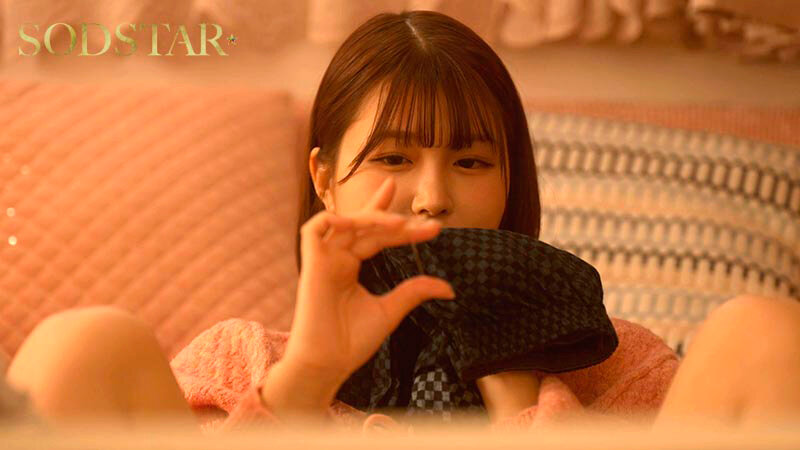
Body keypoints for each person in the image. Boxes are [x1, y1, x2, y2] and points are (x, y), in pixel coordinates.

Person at [4, 10, 800, 436]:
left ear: (511, 182)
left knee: (763, 331)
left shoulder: (615, 366)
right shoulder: (234, 361)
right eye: (392, 158)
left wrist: (515, 383)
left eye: (471, 162)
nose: (431, 198)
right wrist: (307, 377)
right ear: (324, 179)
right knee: (87, 341)